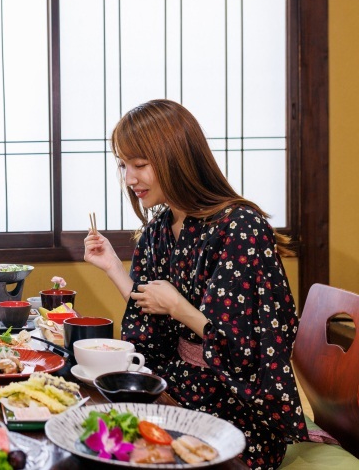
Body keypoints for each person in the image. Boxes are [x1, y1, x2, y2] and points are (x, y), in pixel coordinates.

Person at [84, 99, 307, 469]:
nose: (129, 178)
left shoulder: (240, 227)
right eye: (123, 165)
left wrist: (177, 306)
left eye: (139, 165)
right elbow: (152, 322)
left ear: (176, 158)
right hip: (180, 385)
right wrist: (113, 268)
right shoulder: (159, 229)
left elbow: (248, 352)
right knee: (96, 434)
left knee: (113, 448)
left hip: (235, 409)